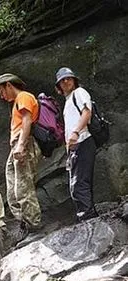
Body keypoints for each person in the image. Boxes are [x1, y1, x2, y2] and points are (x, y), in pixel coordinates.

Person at [0, 73, 42, 240]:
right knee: (12, 190)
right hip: (16, 147)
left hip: (23, 144)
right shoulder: (17, 102)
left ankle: (34, 225)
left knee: (23, 188)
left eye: (1, 91)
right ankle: (24, 222)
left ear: (9, 85)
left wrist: (20, 145)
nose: (2, 96)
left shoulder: (24, 97)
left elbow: (27, 121)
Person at [55, 67, 98, 222]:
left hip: (84, 141)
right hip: (77, 146)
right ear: (58, 86)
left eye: (68, 78)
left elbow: (87, 112)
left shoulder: (79, 93)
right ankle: (89, 218)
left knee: (79, 184)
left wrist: (76, 132)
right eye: (62, 80)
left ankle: (88, 219)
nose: (66, 81)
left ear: (74, 80)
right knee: (78, 184)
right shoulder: (68, 101)